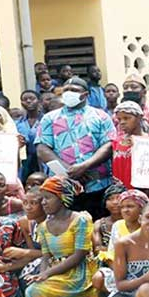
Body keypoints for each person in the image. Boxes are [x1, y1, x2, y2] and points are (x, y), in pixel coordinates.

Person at [24, 176, 101, 297]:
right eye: (42, 199)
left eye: (48, 198)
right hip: (57, 271)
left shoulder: (81, 220)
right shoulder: (43, 227)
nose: (43, 202)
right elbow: (46, 256)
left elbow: (79, 255)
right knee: (34, 289)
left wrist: (48, 273)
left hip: (80, 274)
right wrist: (41, 275)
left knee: (34, 293)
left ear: (62, 198)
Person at [36, 77, 115, 219]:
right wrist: (70, 170)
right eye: (66, 90)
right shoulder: (49, 118)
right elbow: (42, 148)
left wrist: (84, 166)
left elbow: (109, 145)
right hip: (64, 187)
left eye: (74, 90)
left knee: (97, 226)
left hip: (98, 184)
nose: (68, 93)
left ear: (85, 94)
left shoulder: (101, 116)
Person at [111, 101, 147, 189]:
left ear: (139, 118)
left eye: (126, 118)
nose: (122, 122)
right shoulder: (116, 142)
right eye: (119, 119)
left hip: (143, 191)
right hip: (121, 192)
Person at [92, 181, 125, 262]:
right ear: (105, 204)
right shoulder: (99, 224)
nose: (115, 202)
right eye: (110, 199)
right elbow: (97, 250)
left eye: (119, 198)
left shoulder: (134, 222)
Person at [16, 90, 42, 180]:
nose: (28, 101)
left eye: (32, 98)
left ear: (39, 100)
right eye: (24, 99)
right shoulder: (18, 123)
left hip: (42, 159)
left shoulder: (46, 119)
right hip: (25, 161)